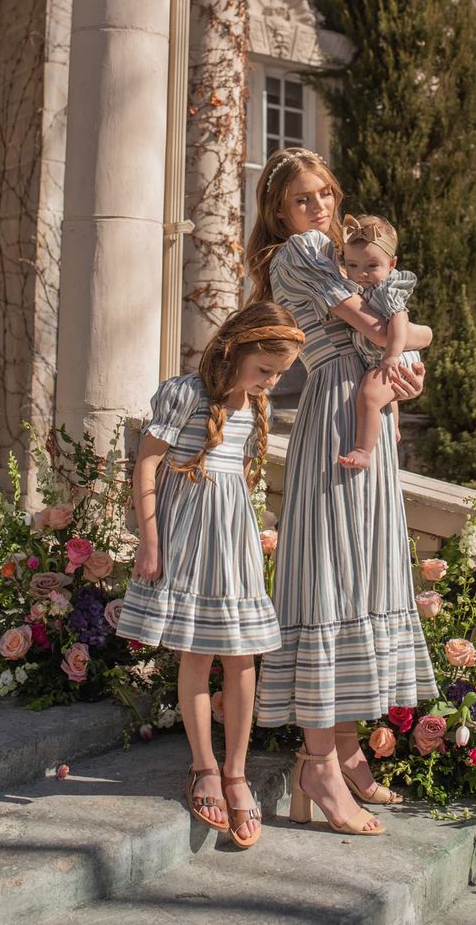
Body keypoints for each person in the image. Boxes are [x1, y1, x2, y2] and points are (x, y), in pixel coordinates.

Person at [247, 147, 438, 837]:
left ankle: (348, 749)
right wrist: (409, 340)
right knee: (331, 575)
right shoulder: (298, 253)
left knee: (357, 574)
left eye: (325, 194)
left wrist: (405, 360)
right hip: (335, 412)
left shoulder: (337, 256)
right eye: (304, 198)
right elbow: (387, 328)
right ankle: (318, 762)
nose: (320, 208)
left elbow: (402, 334)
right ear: (279, 211)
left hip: (367, 413)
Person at [117, 303, 304, 849]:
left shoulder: (252, 405)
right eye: (265, 369)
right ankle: (203, 766)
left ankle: (237, 771)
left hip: (233, 540)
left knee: (242, 656)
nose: (271, 380)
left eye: (278, 373)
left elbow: (235, 482)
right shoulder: (184, 393)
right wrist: (150, 542)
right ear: (237, 348)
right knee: (197, 654)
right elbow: (147, 464)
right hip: (186, 535)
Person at [337, 214, 420, 470]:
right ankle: (393, 426)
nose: (361, 273)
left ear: (391, 264)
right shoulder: (357, 288)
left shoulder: (386, 289)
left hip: (393, 353)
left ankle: (363, 450)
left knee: (369, 396)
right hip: (382, 356)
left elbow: (399, 320)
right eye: (352, 265)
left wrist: (392, 356)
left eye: (372, 266)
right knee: (382, 393)